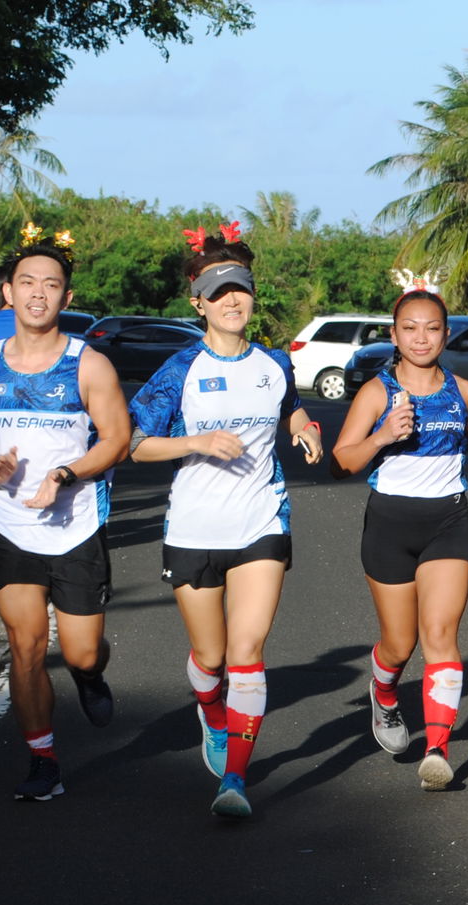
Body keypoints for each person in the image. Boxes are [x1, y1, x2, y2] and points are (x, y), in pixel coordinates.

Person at [128, 223, 323, 819]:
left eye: (241, 288)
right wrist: (196, 442)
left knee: (246, 651)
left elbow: (290, 408)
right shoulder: (180, 368)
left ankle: (235, 779)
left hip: (261, 520)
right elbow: (134, 443)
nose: (233, 300)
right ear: (199, 304)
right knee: (209, 658)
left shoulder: (273, 364)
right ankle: (211, 712)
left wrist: (304, 429)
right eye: (220, 293)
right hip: (193, 527)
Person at [0, 224, 131, 801]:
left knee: (76, 649)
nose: (38, 294)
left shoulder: (87, 364)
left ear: (66, 299)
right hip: (9, 525)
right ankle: (42, 760)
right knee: (24, 645)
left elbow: (117, 440)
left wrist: (65, 474)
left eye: (51, 285)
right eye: (27, 282)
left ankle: (89, 673)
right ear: (7, 292)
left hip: (75, 527)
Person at [330, 269, 468, 790]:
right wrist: (384, 435)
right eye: (410, 328)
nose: (422, 338)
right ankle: (384, 693)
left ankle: (437, 748)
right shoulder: (376, 393)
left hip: (448, 520)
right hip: (389, 522)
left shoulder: (465, 389)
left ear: (446, 333)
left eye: (432, 328)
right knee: (399, 643)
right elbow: (341, 462)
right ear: (394, 335)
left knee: (440, 636)